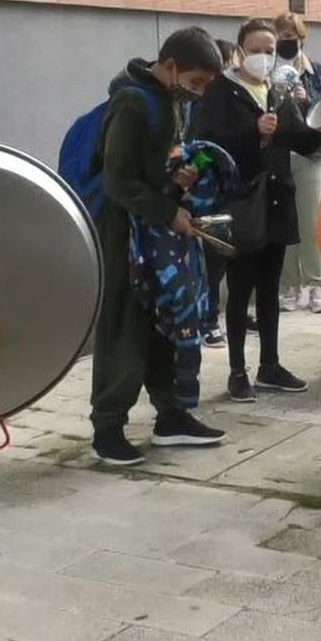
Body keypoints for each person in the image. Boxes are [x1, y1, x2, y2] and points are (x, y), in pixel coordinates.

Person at [88, 27, 229, 465]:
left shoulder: (169, 100)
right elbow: (118, 181)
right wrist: (168, 212)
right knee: (126, 326)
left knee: (165, 323)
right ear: (170, 66)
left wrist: (178, 180)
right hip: (123, 235)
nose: (200, 94)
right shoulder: (132, 103)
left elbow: (152, 170)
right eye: (196, 83)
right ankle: (107, 427)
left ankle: (172, 416)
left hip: (155, 228)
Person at [193, 18, 321, 403]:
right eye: (257, 49)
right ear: (239, 50)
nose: (265, 57)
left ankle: (270, 364)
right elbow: (209, 143)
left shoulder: (278, 89)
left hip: (277, 200)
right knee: (240, 290)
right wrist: (256, 131)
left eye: (270, 51)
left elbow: (298, 139)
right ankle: (238, 371)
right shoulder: (221, 91)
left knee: (270, 288)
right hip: (242, 202)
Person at [273, 12, 321, 315]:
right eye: (281, 35)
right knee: (286, 222)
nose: (287, 41)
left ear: (301, 38)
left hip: (312, 154)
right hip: (280, 154)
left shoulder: (316, 70)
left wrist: (305, 97)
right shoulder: (268, 70)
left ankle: (316, 284)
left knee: (311, 221)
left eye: (292, 35)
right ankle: (289, 286)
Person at [200, 38, 240, 349]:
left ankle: (217, 316)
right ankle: (209, 320)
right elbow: (200, 147)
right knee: (213, 260)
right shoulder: (203, 100)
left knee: (223, 259)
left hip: (225, 190)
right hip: (206, 193)